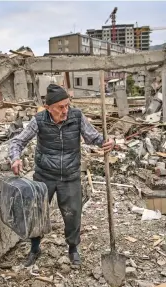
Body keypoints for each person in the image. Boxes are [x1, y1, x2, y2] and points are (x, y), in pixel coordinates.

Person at [9, 84, 114, 267]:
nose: (65, 110)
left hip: (70, 175)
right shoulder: (39, 120)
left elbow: (94, 138)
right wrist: (15, 158)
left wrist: (106, 142)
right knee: (36, 212)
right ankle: (35, 248)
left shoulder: (77, 116)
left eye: (67, 105)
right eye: (60, 107)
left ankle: (73, 249)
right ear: (48, 107)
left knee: (73, 215)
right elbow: (18, 141)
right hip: (44, 176)